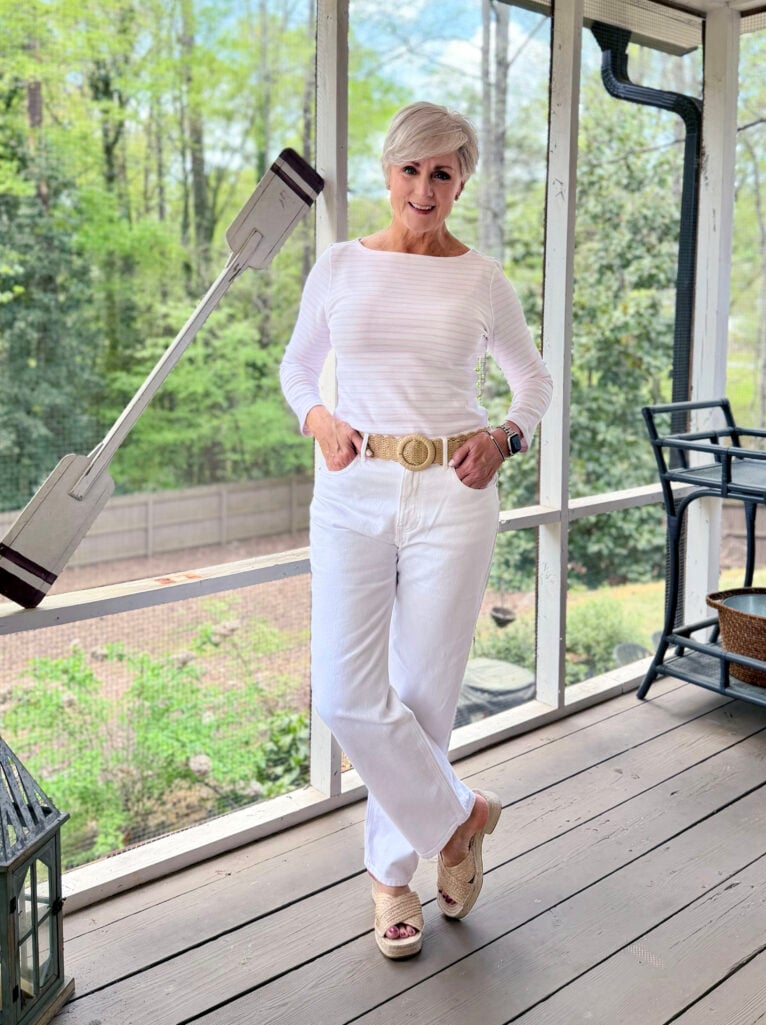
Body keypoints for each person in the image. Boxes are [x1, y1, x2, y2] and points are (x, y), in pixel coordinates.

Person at [280, 101, 552, 959]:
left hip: (452, 497)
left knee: (426, 696)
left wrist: (504, 438)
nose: (424, 189)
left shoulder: (482, 280)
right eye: (411, 170)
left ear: (462, 178)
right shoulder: (338, 266)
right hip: (352, 492)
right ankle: (460, 817)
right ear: (387, 171)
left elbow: (533, 384)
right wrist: (318, 417)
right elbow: (295, 367)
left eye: (443, 172)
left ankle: (391, 881)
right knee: (344, 692)